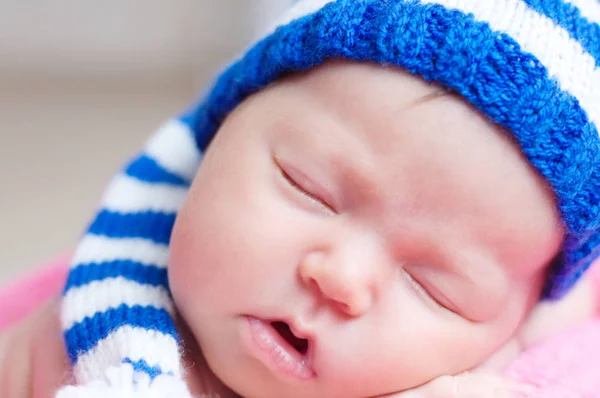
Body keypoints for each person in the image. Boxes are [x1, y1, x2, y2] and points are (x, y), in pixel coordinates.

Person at [2, 1, 600, 397]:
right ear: (215, 137)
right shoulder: (82, 328)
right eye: (306, 188)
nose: (341, 277)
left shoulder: (535, 372)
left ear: (512, 330)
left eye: (433, 285)